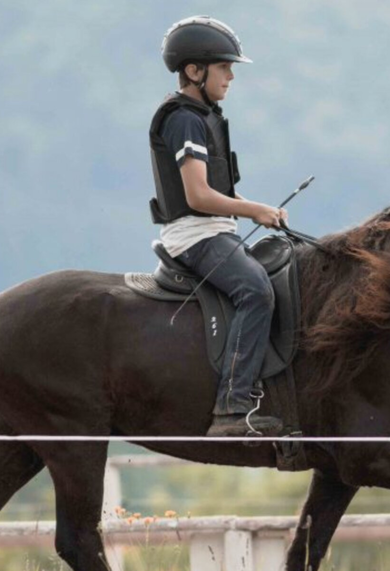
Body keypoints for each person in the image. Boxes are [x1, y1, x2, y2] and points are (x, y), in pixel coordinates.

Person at [149, 16, 287, 437]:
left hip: (216, 229)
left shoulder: (206, 115)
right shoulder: (185, 119)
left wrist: (260, 210)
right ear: (194, 71)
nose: (230, 76)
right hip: (197, 236)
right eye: (224, 67)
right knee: (256, 291)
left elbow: (219, 192)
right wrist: (254, 210)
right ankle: (232, 408)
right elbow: (197, 197)